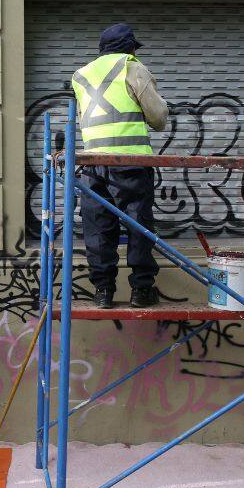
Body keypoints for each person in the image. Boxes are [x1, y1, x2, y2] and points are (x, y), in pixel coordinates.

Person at [71, 22, 169, 309]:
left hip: (92, 164)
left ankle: (103, 291)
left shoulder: (80, 75)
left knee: (98, 227)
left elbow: (81, 119)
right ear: (130, 47)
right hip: (130, 162)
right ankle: (141, 290)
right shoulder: (132, 67)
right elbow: (158, 118)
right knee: (138, 223)